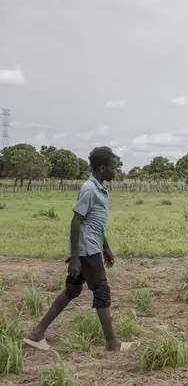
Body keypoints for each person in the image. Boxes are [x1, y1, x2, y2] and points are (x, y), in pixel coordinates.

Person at [23, 148, 131, 352]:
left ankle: (37, 334)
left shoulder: (98, 188)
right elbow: (76, 222)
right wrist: (75, 259)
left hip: (90, 246)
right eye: (113, 167)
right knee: (101, 290)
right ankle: (112, 343)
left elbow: (94, 223)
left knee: (72, 290)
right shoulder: (89, 189)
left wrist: (106, 247)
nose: (115, 170)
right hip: (87, 250)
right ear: (102, 168)